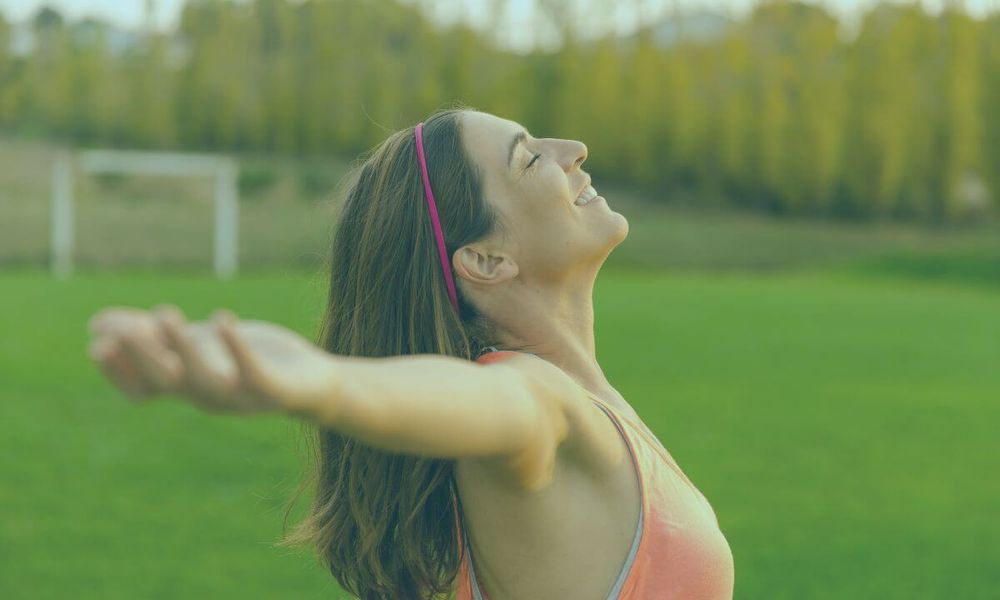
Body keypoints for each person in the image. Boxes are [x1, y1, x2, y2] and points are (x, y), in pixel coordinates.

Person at [87, 108, 735, 600]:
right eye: (530, 160)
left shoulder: (587, 401)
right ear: (486, 259)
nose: (572, 151)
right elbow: (485, 400)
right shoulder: (533, 396)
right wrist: (321, 383)